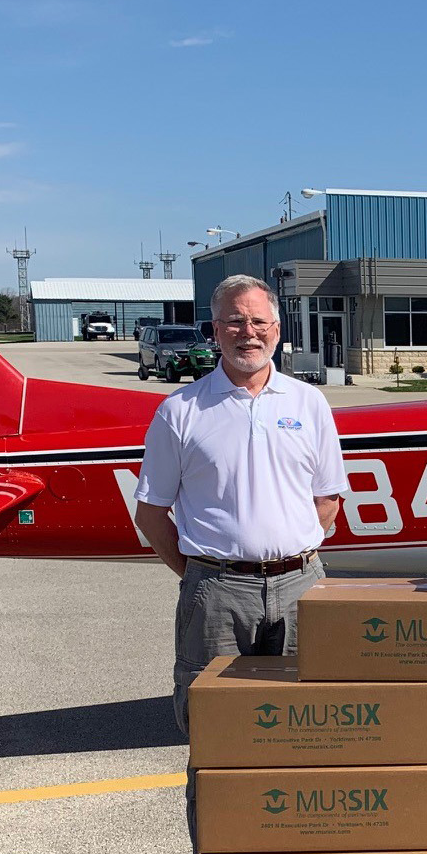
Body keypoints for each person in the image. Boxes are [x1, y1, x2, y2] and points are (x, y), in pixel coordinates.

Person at [132, 274, 347, 737]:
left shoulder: (310, 403)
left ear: (277, 329)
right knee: (215, 731)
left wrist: (292, 555)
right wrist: (203, 575)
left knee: (307, 728)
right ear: (215, 330)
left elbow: (328, 499)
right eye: (234, 321)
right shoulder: (180, 410)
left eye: (258, 321)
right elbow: (150, 513)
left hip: (301, 587)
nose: (248, 332)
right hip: (217, 593)